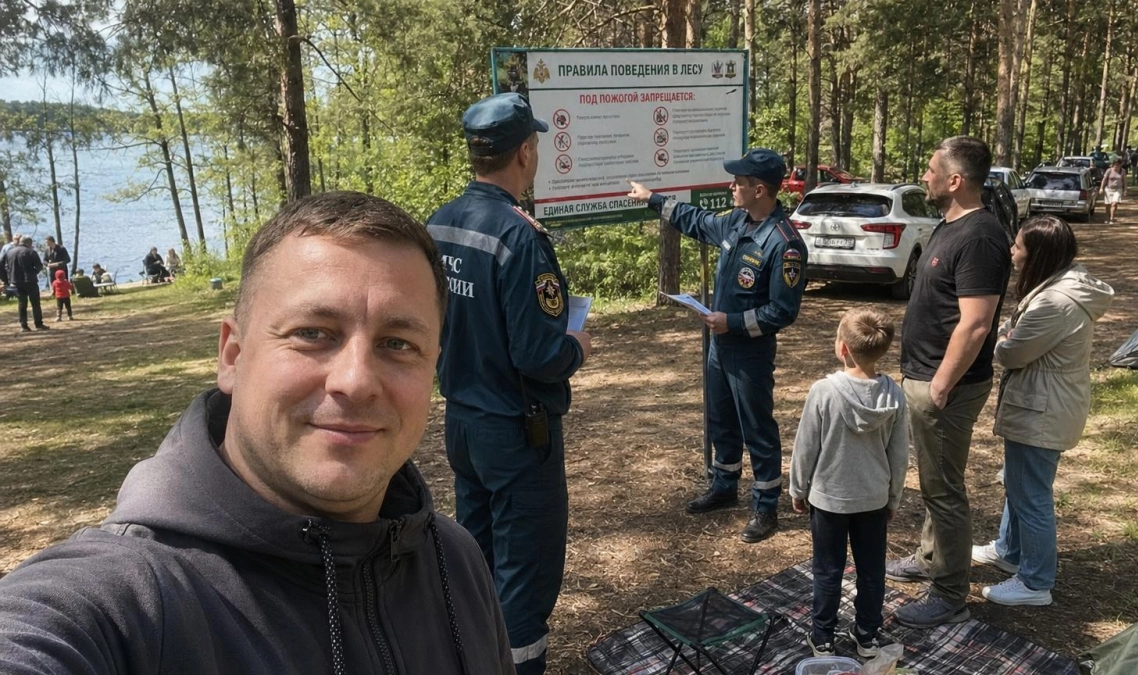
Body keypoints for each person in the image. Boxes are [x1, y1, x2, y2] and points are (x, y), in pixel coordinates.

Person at [0, 192, 517, 674]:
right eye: (312, 334)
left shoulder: (456, 561)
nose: (357, 382)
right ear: (233, 355)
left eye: (398, 343)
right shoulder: (122, 603)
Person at [426, 92, 591, 675]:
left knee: (477, 565)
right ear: (525, 151)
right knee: (524, 581)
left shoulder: (439, 224)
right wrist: (575, 345)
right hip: (519, 434)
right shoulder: (520, 237)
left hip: (463, 425)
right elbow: (538, 353)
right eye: (536, 144)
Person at [628, 148, 806, 544]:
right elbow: (697, 221)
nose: (731, 187)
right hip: (719, 348)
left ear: (759, 189)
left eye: (738, 183)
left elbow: (783, 310)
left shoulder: (784, 244)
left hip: (749, 353)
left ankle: (765, 506)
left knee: (756, 426)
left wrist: (734, 323)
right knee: (720, 418)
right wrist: (652, 198)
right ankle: (724, 485)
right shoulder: (736, 222)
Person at [886, 136, 1011, 628]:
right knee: (935, 481)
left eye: (931, 170)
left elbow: (977, 323)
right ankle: (929, 559)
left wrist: (940, 383)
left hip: (947, 386)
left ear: (955, 180)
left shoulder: (979, 236)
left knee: (944, 490)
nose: (925, 176)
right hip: (928, 377)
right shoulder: (950, 225)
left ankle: (950, 593)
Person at [971, 216, 1113, 606]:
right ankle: (1009, 551)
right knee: (1018, 483)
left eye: (1018, 247)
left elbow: (1012, 353)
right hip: (1041, 402)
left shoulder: (1055, 302)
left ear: (1040, 255)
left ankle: (1035, 582)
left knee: (1031, 493)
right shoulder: (1062, 286)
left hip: (1042, 407)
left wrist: (1003, 335)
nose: (1013, 254)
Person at [790, 308, 908, 659]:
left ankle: (822, 637)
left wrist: (798, 488)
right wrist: (893, 498)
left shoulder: (823, 392)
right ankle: (867, 636)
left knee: (827, 570)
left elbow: (805, 446)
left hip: (829, 500)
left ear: (842, 347)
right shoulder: (895, 396)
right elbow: (899, 455)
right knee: (872, 572)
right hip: (873, 500)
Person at [1, 236, 49, 332]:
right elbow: (39, 266)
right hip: (30, 280)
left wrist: (7, 278)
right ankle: (38, 324)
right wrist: (34, 272)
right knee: (35, 303)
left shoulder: (10, 252)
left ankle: (24, 326)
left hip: (16, 281)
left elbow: (3, 265)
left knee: (22, 303)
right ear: (29, 243)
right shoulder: (31, 252)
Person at [1101, 158, 1126, 224]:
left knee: (1114, 203)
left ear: (1120, 165)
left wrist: (1125, 190)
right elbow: (1104, 179)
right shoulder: (1109, 170)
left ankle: (1112, 218)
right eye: (1115, 165)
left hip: (1118, 189)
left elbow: (1124, 181)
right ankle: (1107, 217)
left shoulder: (1122, 171)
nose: (1116, 166)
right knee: (1107, 205)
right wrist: (1101, 188)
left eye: (1118, 165)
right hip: (1108, 189)